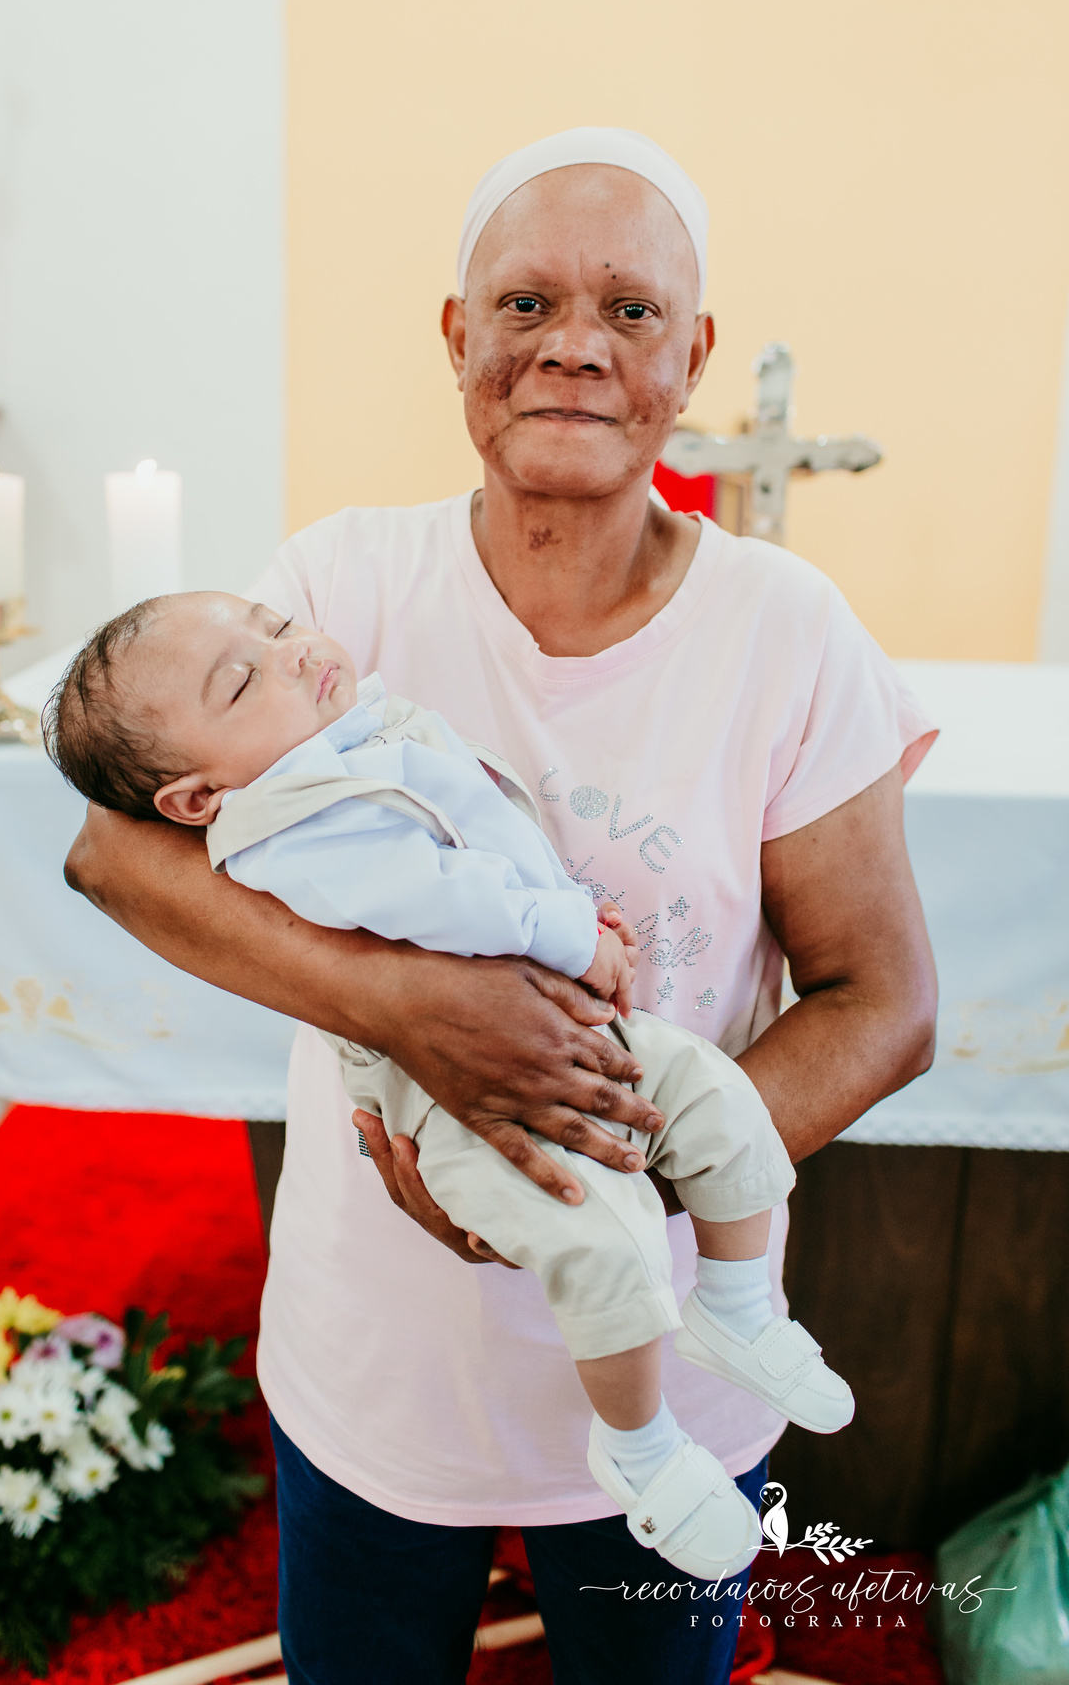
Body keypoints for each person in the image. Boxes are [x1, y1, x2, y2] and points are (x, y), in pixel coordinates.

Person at [64, 127, 938, 1684]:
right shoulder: (336, 592)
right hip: (379, 1362)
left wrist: (608, 1187)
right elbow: (114, 853)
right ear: (457, 336)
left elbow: (884, 1002)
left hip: (672, 1350)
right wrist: (414, 1011)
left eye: (631, 310)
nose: (574, 347)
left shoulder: (784, 628)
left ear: (694, 356)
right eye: (525, 304)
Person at [44, 591, 856, 1580]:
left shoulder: (351, 741)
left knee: (723, 1105)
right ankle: (639, 1448)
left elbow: (489, 838)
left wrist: (572, 916)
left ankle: (735, 1306)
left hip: (580, 1025)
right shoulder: (283, 823)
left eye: (275, 625)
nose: (290, 650)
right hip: (450, 1097)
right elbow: (433, 897)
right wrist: (571, 933)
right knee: (603, 1242)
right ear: (195, 799)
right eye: (244, 678)